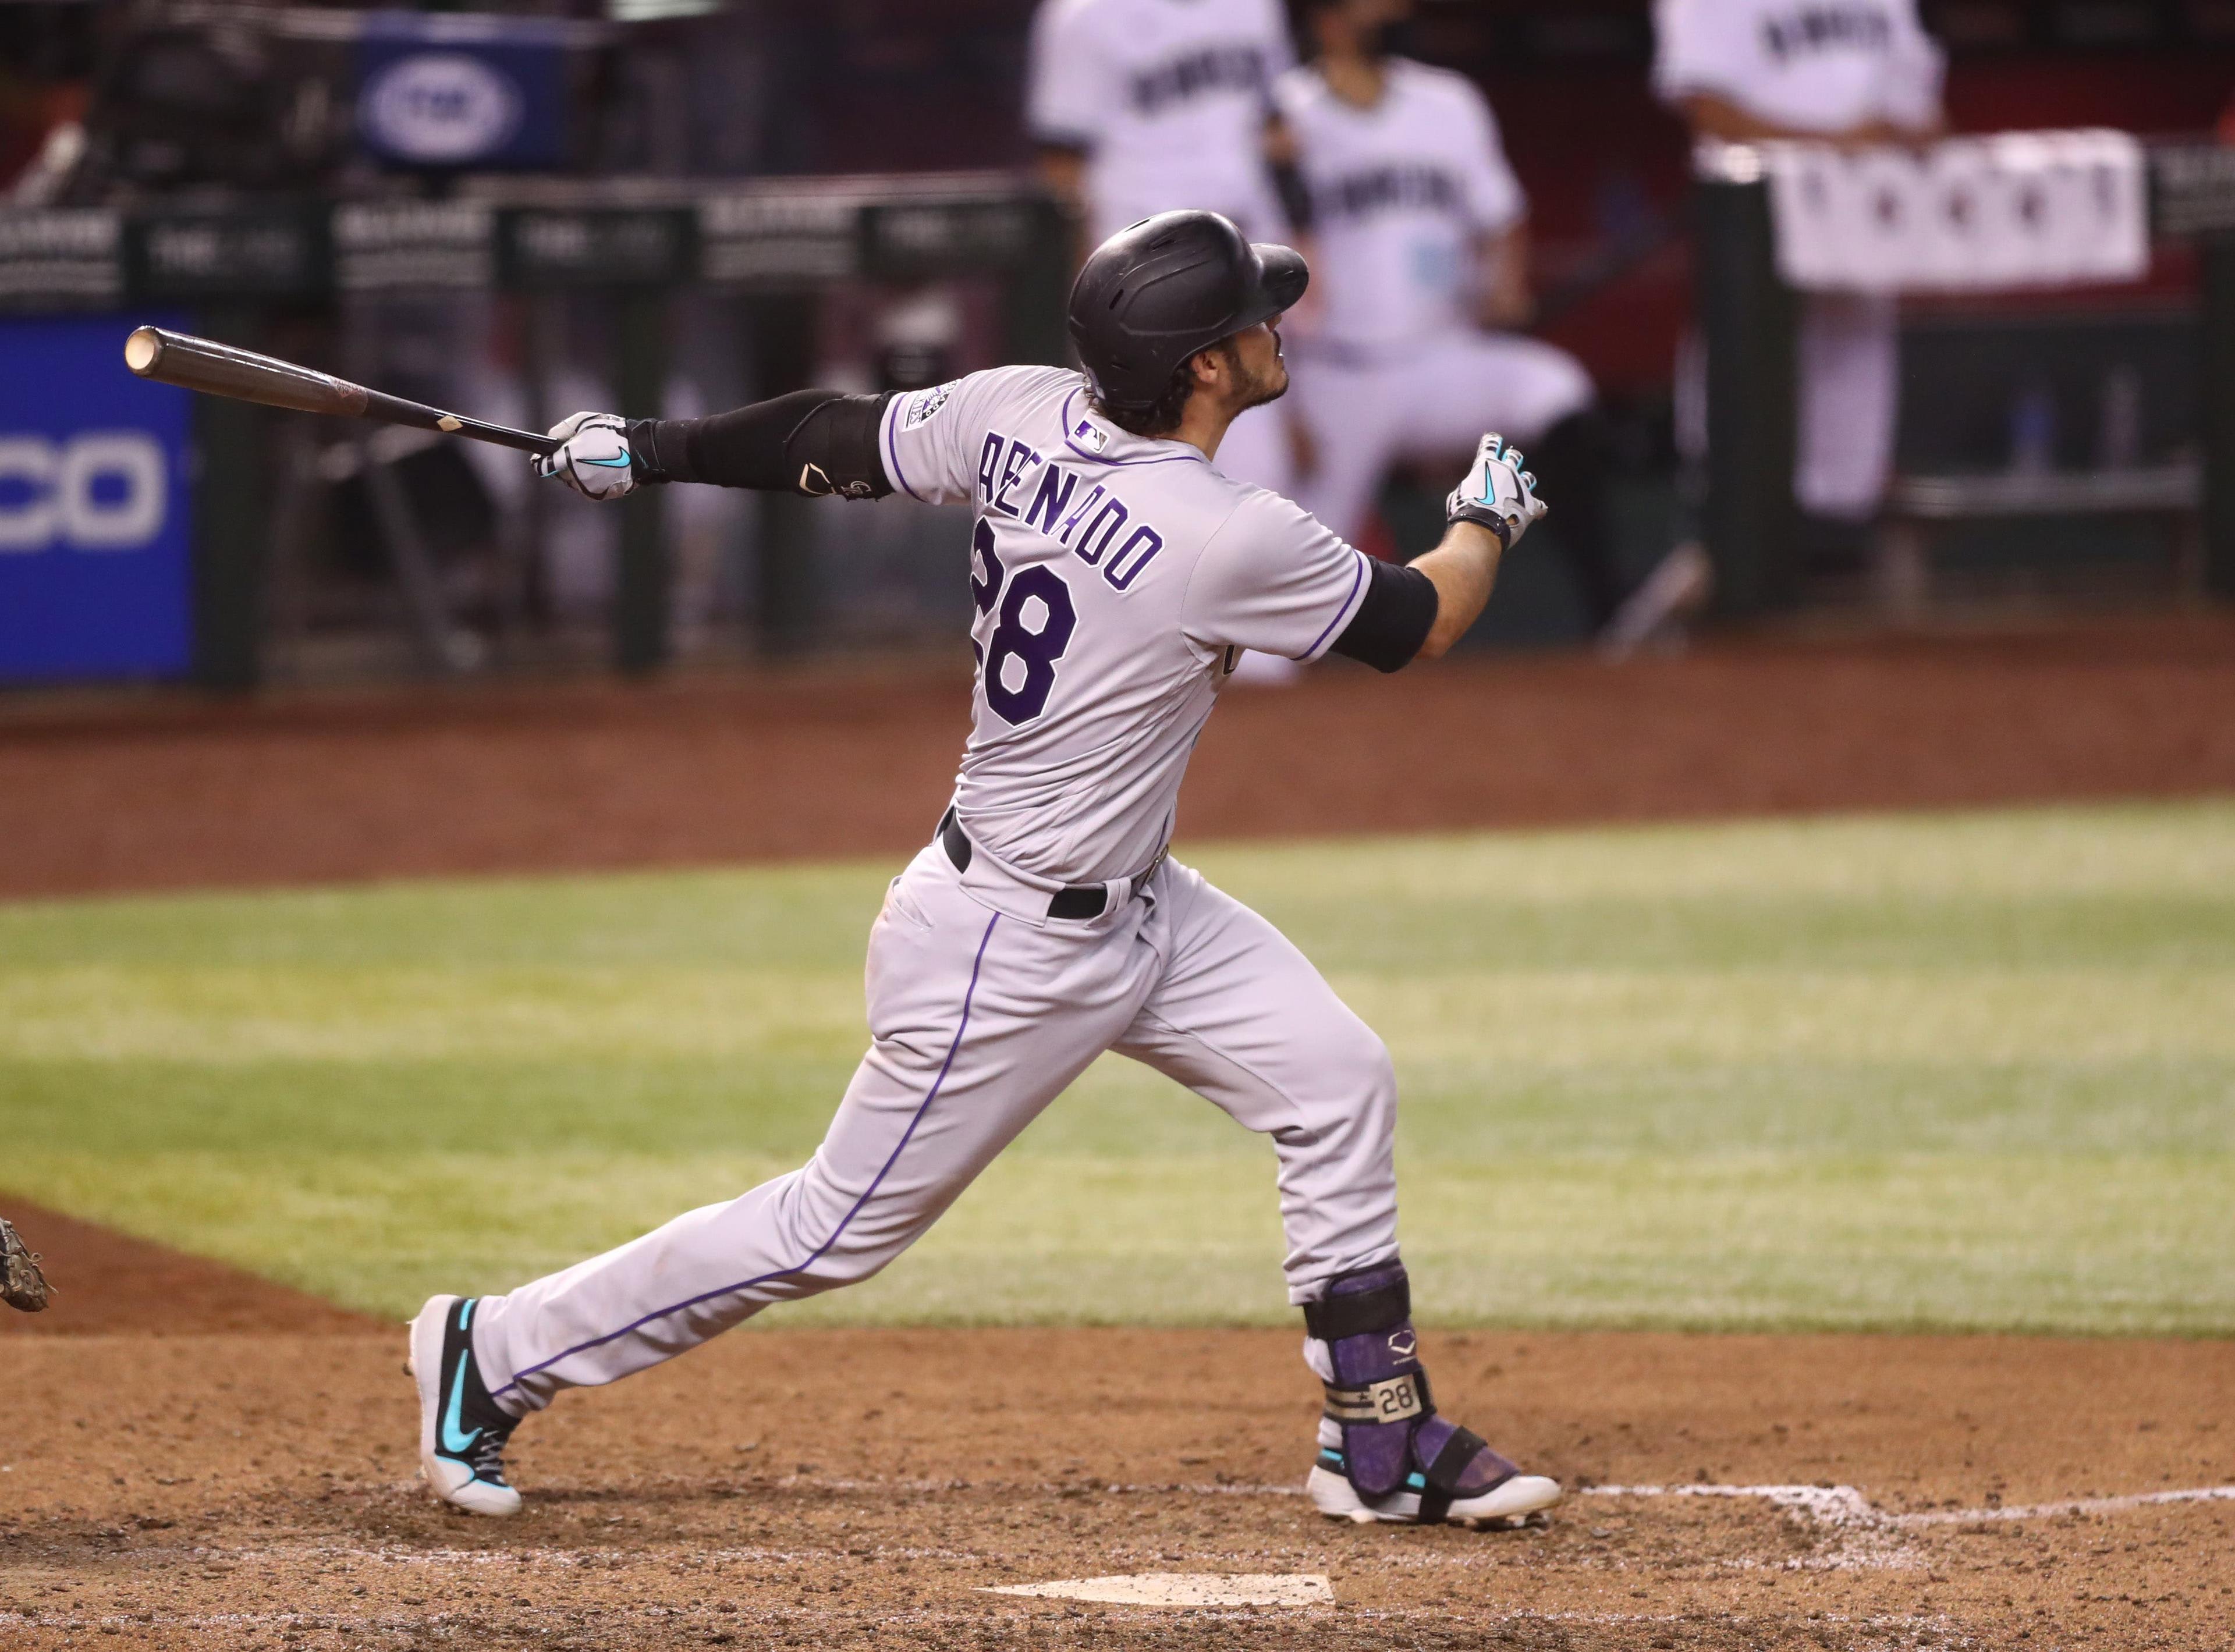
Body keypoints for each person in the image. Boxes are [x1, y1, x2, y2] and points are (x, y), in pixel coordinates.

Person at [407, 209, 1563, 1533]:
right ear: (1201, 367)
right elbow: (1421, 619)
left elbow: (829, 434)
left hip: (1138, 906)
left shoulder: (1019, 411)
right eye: (1254, 313)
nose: (1274, 323)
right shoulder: (1225, 534)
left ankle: (1377, 1436)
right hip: (1005, 942)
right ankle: (491, 1350)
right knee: (828, 1229)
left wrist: (650, 449)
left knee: (1335, 1078)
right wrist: (1484, 515)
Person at [1275, 0, 1710, 652]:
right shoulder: (1282, 114)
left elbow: (1500, 214)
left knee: (1553, 389)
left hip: (1441, 357)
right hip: (1334, 376)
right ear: (1328, 21)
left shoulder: (1447, 102)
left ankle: (1609, 609)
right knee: (1285, 617)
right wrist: (1286, 404)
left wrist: (1503, 283)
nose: (1395, 11)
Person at [1654, 0, 1946, 532]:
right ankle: (1732, 543)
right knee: (1741, 430)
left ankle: (1842, 539)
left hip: (1864, 233)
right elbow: (1707, 109)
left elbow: (1919, 98)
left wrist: (1913, 138)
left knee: (1851, 439)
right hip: (1758, 229)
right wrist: (1838, 147)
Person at [1025, 0, 1298, 496]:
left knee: (1265, 473)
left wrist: (1303, 231)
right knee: (1137, 465)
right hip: (1150, 275)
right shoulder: (1084, 17)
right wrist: (1089, 301)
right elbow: (1063, 170)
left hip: (1252, 253)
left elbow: (1276, 131)